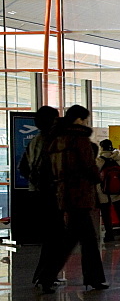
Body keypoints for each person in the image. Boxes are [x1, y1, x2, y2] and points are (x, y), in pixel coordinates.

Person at [37, 105, 108, 292]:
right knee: (71, 239)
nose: (86, 123)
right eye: (85, 120)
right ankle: (47, 276)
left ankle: (94, 279)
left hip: (64, 193)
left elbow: (47, 168)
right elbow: (89, 167)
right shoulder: (79, 139)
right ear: (79, 120)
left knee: (88, 238)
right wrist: (98, 178)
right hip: (81, 193)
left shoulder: (55, 139)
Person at [19, 106, 62, 286]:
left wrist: (34, 181)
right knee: (56, 236)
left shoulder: (35, 141)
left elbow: (23, 167)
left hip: (36, 194)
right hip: (51, 194)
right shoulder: (52, 142)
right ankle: (45, 277)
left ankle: (43, 274)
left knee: (50, 237)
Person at [96, 139, 120, 242]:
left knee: (106, 214)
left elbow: (96, 178)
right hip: (119, 191)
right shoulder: (119, 159)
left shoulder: (98, 160)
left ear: (101, 148)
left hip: (103, 192)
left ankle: (109, 235)